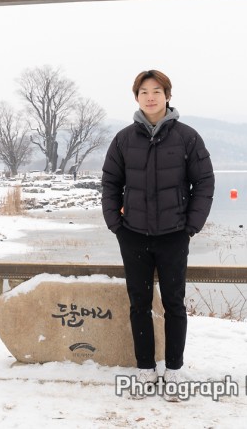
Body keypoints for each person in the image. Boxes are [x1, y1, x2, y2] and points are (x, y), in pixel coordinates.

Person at [101, 69, 214, 401]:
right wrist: (115, 224)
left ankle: (175, 371)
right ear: (136, 98)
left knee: (174, 304)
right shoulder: (123, 139)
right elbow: (110, 183)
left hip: (174, 235)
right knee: (138, 304)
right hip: (133, 234)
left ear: (167, 96)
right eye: (144, 92)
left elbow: (204, 183)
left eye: (157, 91)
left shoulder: (187, 137)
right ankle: (145, 369)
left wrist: (190, 226)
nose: (150, 97)